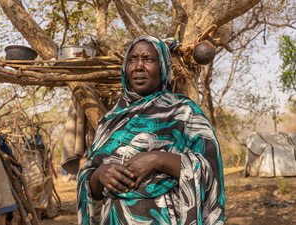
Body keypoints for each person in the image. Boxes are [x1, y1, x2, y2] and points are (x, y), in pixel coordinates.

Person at [77, 35, 225, 225]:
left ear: (163, 66)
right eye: (132, 60)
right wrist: (99, 175)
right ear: (125, 68)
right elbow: (92, 186)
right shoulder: (109, 121)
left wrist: (158, 160)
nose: (139, 66)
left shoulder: (184, 112)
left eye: (148, 59)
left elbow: (210, 171)